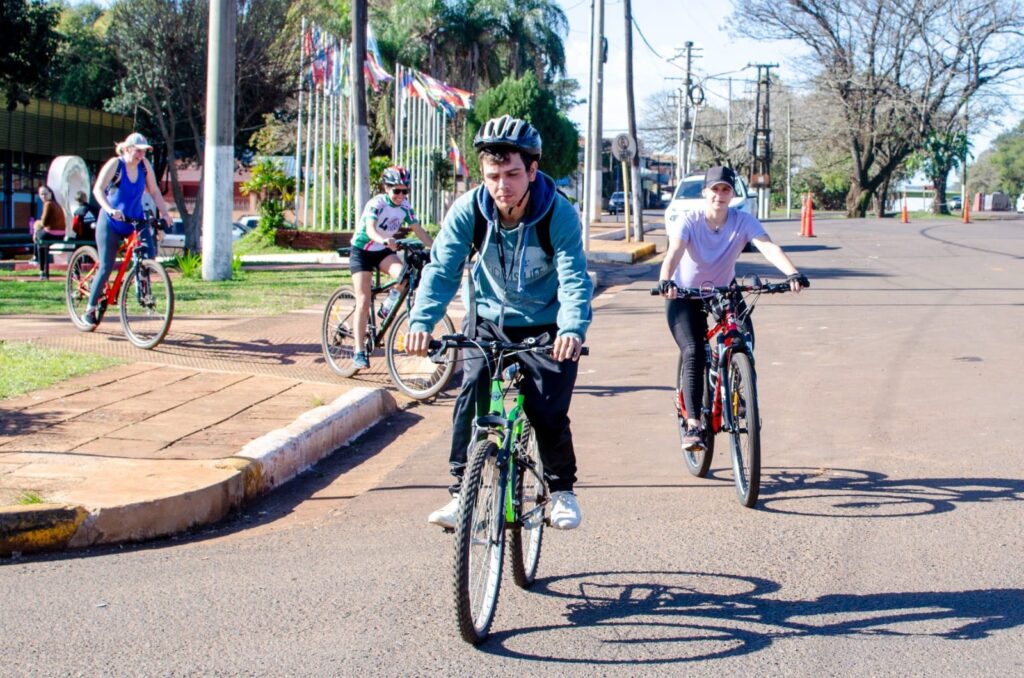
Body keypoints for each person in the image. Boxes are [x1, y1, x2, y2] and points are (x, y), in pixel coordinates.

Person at [405, 115, 593, 530]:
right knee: (470, 394)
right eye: (493, 175)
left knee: (546, 410)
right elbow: (441, 269)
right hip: (489, 320)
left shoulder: (557, 213)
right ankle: (461, 494)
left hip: (547, 326)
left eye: (511, 174)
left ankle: (561, 491)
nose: (502, 186)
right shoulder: (469, 210)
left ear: (532, 170)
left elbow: (574, 277)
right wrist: (422, 321)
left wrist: (572, 330)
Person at [656, 165, 806, 451]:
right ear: (705, 192)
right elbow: (674, 252)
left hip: (723, 290)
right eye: (715, 189)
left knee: (743, 338)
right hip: (683, 294)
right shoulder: (690, 220)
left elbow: (767, 246)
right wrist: (665, 281)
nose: (720, 195)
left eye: (725, 189)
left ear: (732, 193)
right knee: (694, 350)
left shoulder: (742, 220)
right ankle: (694, 425)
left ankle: (739, 391)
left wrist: (792, 274)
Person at [82, 132, 171, 330]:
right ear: (128, 148)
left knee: (148, 256)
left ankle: (143, 290)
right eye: (138, 150)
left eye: (144, 151)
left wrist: (165, 214)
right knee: (106, 265)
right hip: (111, 222)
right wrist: (110, 210)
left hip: (135, 220)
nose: (141, 155)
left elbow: (155, 191)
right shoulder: (116, 165)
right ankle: (90, 309)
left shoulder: (144, 167)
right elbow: (97, 189)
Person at [349, 165, 434, 369]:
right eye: (396, 190)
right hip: (362, 250)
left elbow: (418, 230)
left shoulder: (405, 206)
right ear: (386, 188)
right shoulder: (376, 203)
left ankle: (388, 305)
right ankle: (359, 350)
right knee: (363, 299)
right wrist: (383, 239)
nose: (401, 195)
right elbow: (369, 229)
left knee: (405, 277)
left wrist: (438, 248)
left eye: (405, 191)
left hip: (382, 251)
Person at [34, 185, 66, 280]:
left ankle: (40, 267)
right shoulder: (57, 204)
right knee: (39, 236)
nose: (43, 196)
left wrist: (37, 224)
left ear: (50, 193)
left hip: (51, 234)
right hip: (61, 235)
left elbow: (44, 222)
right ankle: (36, 257)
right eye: (41, 194)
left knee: (37, 235)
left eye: (45, 193)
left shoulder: (48, 204)